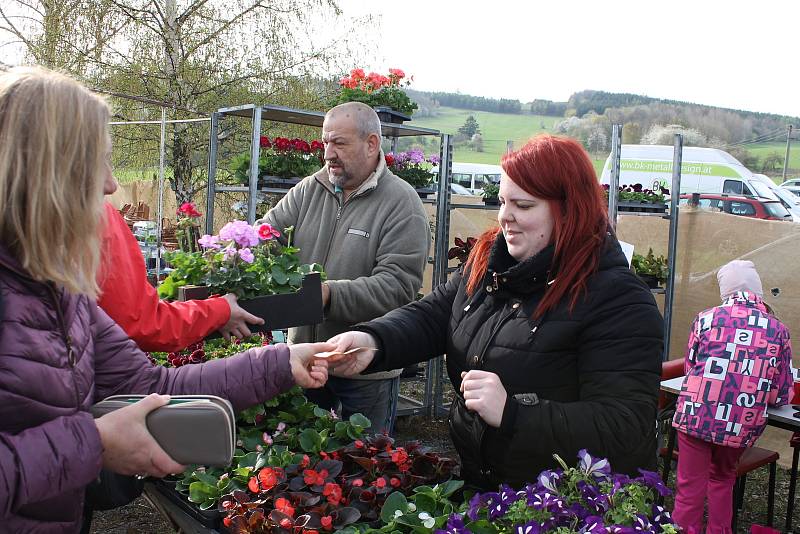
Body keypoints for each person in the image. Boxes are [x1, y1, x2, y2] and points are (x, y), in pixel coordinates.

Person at [0, 66, 334, 532]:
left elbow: (155, 386)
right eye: (99, 162)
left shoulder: (62, 292)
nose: (112, 186)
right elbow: (145, 324)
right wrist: (91, 443)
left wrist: (281, 362)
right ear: (48, 173)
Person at [322, 134, 664, 489]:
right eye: (503, 201)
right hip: (486, 488)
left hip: (564, 509)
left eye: (524, 205)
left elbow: (625, 426)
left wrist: (514, 414)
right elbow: (434, 316)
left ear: (569, 208)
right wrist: (372, 340)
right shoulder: (489, 263)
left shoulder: (618, 300)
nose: (505, 217)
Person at [257, 102, 430, 433]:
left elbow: (398, 287)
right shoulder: (310, 189)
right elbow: (268, 233)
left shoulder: (401, 203)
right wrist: (238, 254)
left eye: (339, 143)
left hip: (365, 370)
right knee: (299, 464)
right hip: (306, 360)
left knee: (362, 468)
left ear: (371, 144)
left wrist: (328, 294)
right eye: (325, 142)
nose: (328, 153)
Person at [671, 260, 793, 533]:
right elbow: (782, 394)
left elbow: (691, 369)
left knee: (689, 487)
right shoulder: (778, 331)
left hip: (695, 415)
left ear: (724, 290)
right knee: (723, 479)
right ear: (758, 291)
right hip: (740, 423)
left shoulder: (705, 318)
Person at [98, 197, 264, 351]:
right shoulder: (96, 217)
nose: (112, 184)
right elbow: (142, 324)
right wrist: (220, 311)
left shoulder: (92, 213)